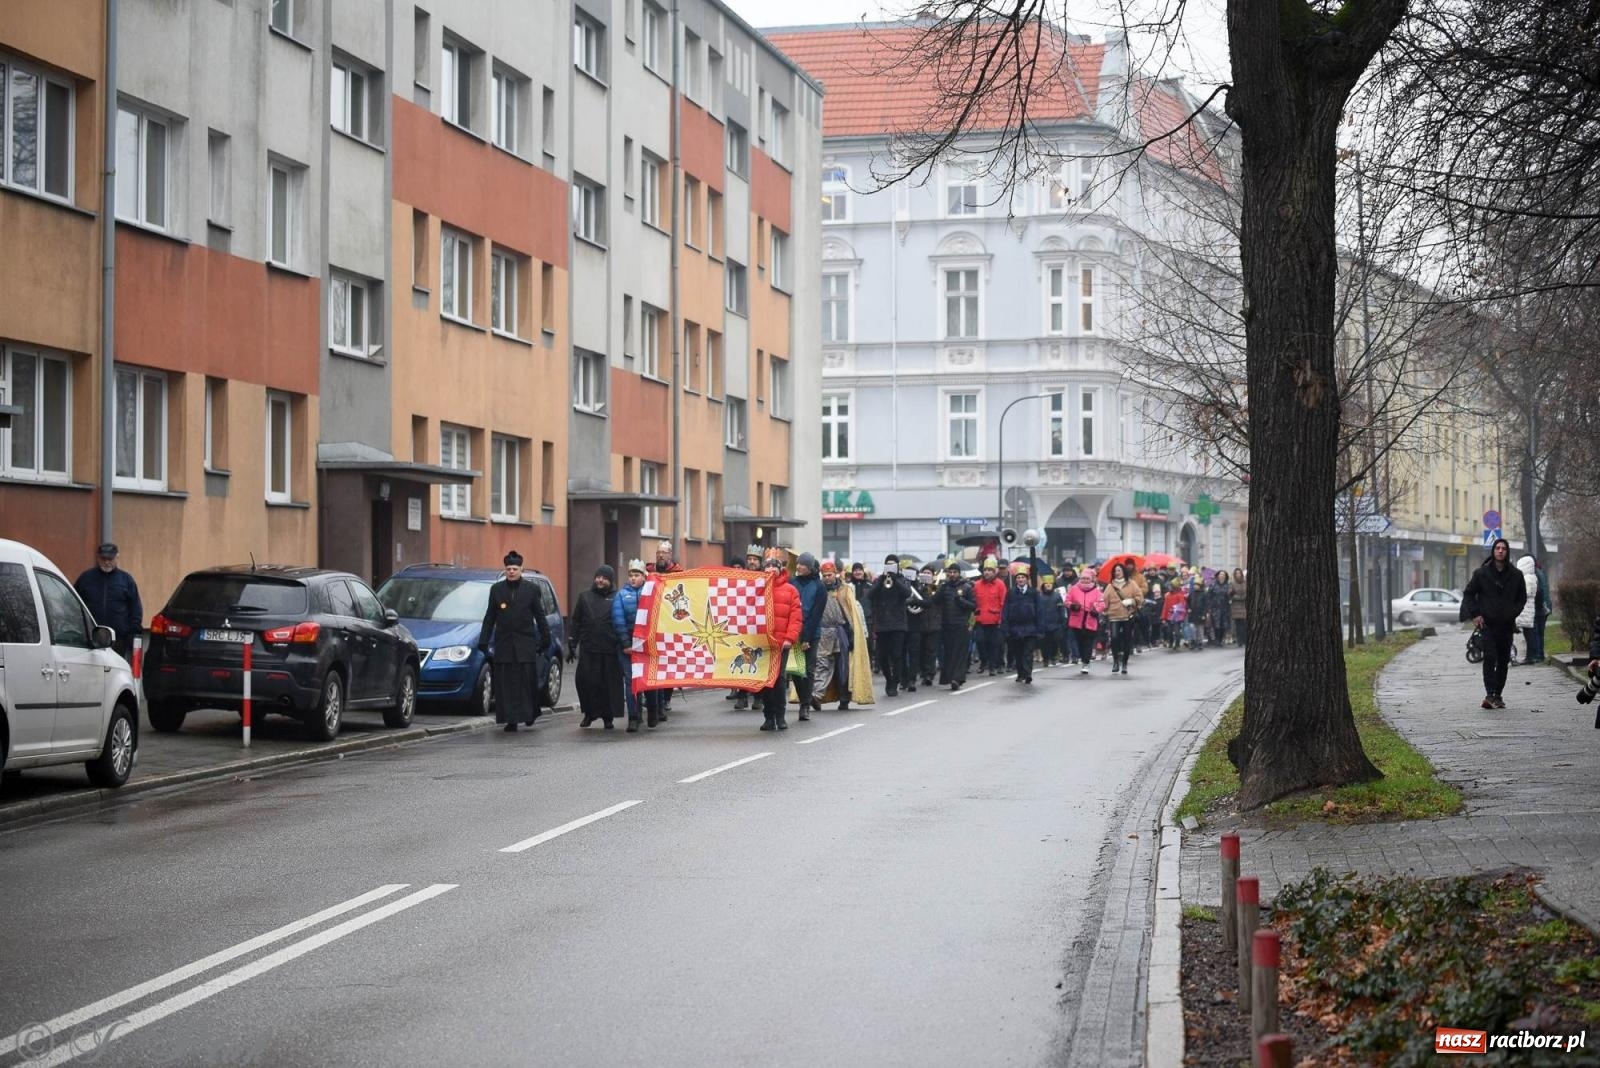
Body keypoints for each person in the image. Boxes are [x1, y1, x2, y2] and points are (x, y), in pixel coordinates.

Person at [478, 551, 553, 732]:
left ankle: (529, 714)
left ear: (521, 570)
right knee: (506, 684)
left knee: (526, 682)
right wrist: (484, 640)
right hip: (504, 644)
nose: (511, 572)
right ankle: (510, 719)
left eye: (514, 569)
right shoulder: (497, 590)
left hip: (525, 643)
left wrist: (545, 638)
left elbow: (540, 616)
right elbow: (490, 617)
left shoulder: (531, 590)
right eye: (508, 569)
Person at [1461, 537, 1527, 710]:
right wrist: (1475, 614)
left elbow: (1522, 598)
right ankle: (1490, 693)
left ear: (1507, 552)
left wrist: (1513, 612)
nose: (1500, 551)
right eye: (1497, 548)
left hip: (1506, 624)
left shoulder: (1516, 575)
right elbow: (1468, 594)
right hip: (1487, 624)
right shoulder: (1481, 574)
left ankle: (1498, 694)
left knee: (1504, 660)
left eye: (1503, 548)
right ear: (1493, 551)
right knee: (1490, 657)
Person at [569, 565, 624, 729]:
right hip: (589, 649)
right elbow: (576, 621)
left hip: (609, 650)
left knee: (607, 686)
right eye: (598, 577)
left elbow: (622, 620)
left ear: (611, 581)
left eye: (605, 578)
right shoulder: (584, 597)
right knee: (586, 682)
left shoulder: (617, 597)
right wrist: (572, 642)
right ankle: (589, 714)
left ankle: (608, 717)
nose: (600, 580)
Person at [757, 548, 802, 731]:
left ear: (779, 569)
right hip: (763, 643)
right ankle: (768, 717)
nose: (770, 570)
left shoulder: (791, 590)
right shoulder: (756, 589)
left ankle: (780, 716)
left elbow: (795, 617)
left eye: (773, 567)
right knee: (765, 680)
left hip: (781, 643)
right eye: (767, 567)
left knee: (779, 679)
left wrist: (790, 638)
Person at [75, 542, 143, 662]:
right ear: (98, 558)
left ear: (117, 557)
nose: (107, 562)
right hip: (91, 637)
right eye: (103, 559)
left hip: (118, 639)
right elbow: (74, 604)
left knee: (116, 668)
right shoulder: (86, 579)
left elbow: (135, 609)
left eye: (110, 559)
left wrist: (133, 633)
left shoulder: (126, 580)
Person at [808, 561, 858, 712]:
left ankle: (844, 698)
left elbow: (851, 613)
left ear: (835, 574)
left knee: (842, 667)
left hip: (840, 632)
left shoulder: (845, 589)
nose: (827, 578)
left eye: (829, 575)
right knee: (822, 665)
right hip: (823, 633)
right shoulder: (818, 590)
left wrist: (852, 634)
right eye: (824, 575)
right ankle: (816, 695)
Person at [868, 554, 916, 697]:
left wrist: (895, 580)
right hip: (882, 624)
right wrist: (882, 580)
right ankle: (889, 679)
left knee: (896, 655)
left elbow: (907, 593)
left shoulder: (902, 579)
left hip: (898, 624)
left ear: (897, 566)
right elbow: (870, 595)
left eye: (893, 565)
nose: (890, 567)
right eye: (888, 564)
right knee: (882, 656)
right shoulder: (879, 580)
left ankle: (895, 682)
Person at [612, 560, 648, 731]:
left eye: (637, 575)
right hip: (627, 643)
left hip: (646, 643)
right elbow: (618, 620)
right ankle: (633, 716)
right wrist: (626, 643)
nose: (633, 578)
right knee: (630, 680)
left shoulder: (650, 593)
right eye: (631, 575)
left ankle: (654, 710)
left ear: (643, 577)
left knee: (647, 679)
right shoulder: (621, 595)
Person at [792, 552, 826, 720]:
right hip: (794, 631)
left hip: (812, 633)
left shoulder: (819, 587)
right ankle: (807, 698)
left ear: (810, 567)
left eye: (803, 564)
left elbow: (816, 614)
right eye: (798, 563)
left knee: (808, 669)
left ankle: (804, 706)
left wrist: (807, 638)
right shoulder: (792, 583)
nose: (798, 567)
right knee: (796, 670)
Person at [933, 561, 976, 691]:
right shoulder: (944, 587)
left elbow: (973, 605)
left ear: (959, 573)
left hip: (961, 625)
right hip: (947, 624)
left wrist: (961, 601)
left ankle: (957, 679)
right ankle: (949, 677)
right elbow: (935, 601)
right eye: (950, 572)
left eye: (954, 572)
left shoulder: (967, 587)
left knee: (960, 653)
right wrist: (935, 588)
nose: (952, 574)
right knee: (949, 652)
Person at [1000, 563, 1041, 684]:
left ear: (1027, 579)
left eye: (1023, 577)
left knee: (1028, 653)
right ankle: (1020, 673)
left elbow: (1040, 611)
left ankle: (1028, 673)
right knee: (1018, 653)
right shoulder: (1011, 593)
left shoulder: (1033, 593)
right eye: (1018, 577)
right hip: (1015, 628)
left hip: (1030, 628)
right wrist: (1005, 627)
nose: (1020, 579)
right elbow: (1006, 610)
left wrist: (1040, 629)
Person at [1065, 567, 1107, 674]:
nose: (1085, 580)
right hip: (1077, 620)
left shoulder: (1096, 591)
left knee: (1088, 642)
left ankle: (1086, 662)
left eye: (1087, 579)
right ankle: (1083, 658)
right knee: (1079, 642)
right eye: (1083, 578)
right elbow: (1067, 601)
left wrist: (1096, 609)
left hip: (1090, 619)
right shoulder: (1074, 589)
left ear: (1091, 579)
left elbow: (1102, 604)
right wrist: (1073, 606)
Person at [972, 557, 1008, 676]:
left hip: (994, 620)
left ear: (994, 572)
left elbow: (1003, 603)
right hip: (980, 619)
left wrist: (1001, 619)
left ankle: (993, 666)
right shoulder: (977, 585)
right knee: (979, 641)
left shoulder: (1000, 584)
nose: (987, 572)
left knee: (994, 644)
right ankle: (984, 660)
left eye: (990, 570)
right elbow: (973, 602)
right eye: (985, 570)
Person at [1103, 563, 1140, 675]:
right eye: (1115, 571)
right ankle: (1115, 662)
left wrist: (1131, 601)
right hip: (1114, 616)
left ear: (1123, 571)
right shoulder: (1110, 586)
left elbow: (1139, 597)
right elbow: (1104, 601)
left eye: (1119, 570)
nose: (1117, 573)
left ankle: (1124, 663)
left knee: (1127, 640)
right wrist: (1103, 610)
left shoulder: (1132, 584)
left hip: (1127, 616)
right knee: (1114, 638)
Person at [914, 565, 943, 686]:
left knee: (931, 651)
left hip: (934, 623)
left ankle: (930, 674)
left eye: (928, 573)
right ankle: (923, 672)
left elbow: (933, 601)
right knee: (921, 651)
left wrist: (931, 587)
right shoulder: (917, 587)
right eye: (924, 573)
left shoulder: (936, 587)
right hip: (920, 623)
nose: (926, 575)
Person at [849, 561, 876, 674]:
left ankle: (868, 669)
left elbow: (874, 604)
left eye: (859, 570)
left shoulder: (870, 587)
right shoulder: (848, 587)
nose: (858, 572)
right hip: (852, 621)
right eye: (855, 570)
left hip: (867, 620)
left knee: (868, 646)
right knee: (854, 646)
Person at [1515, 555, 1539, 666]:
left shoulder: (1527, 578)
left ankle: (1530, 657)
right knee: (1528, 634)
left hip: (1525, 609)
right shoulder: (1532, 577)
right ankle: (1530, 656)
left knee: (1528, 635)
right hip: (1528, 608)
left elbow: (1526, 592)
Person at [1036, 574, 1065, 666]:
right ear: (1043, 585)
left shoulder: (1057, 596)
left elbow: (1061, 609)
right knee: (1044, 643)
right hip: (1043, 623)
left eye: (1050, 583)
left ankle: (1053, 657)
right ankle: (1045, 659)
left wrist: (1062, 621)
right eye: (1046, 583)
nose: (1048, 585)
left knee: (1055, 642)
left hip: (1055, 623)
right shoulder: (1039, 596)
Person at [1531, 560, 1552, 665]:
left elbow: (1539, 591)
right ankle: (1541, 654)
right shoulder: (1541, 572)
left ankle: (1538, 655)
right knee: (1540, 632)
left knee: (1536, 632)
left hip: (1540, 607)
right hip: (1545, 606)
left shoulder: (1535, 574)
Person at [1208, 571, 1232, 647]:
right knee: (1216, 624)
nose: (1222, 576)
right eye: (1220, 574)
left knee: (1223, 625)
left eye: (1223, 575)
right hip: (1215, 608)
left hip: (1225, 607)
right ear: (1218, 576)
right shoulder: (1213, 585)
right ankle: (1217, 639)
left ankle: (1220, 640)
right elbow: (1209, 596)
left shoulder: (1228, 585)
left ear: (1225, 576)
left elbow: (1230, 596)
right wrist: (1209, 607)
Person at [1161, 584, 1188, 650]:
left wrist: (1180, 615)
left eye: (1171, 587)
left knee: (1177, 631)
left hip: (1177, 616)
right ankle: (1171, 642)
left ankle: (1177, 644)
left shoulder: (1179, 595)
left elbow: (1182, 606)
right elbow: (1165, 607)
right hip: (1169, 616)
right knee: (1169, 631)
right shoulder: (1168, 596)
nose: (1170, 589)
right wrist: (1163, 617)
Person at [1230, 568, 1249, 648]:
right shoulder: (1232, 584)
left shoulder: (1245, 583)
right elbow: (1230, 594)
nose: (1238, 575)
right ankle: (1239, 641)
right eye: (1236, 573)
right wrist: (1236, 597)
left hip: (1244, 605)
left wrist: (1244, 597)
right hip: (1236, 606)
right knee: (1238, 625)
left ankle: (1245, 640)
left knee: (1244, 624)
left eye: (1239, 573)